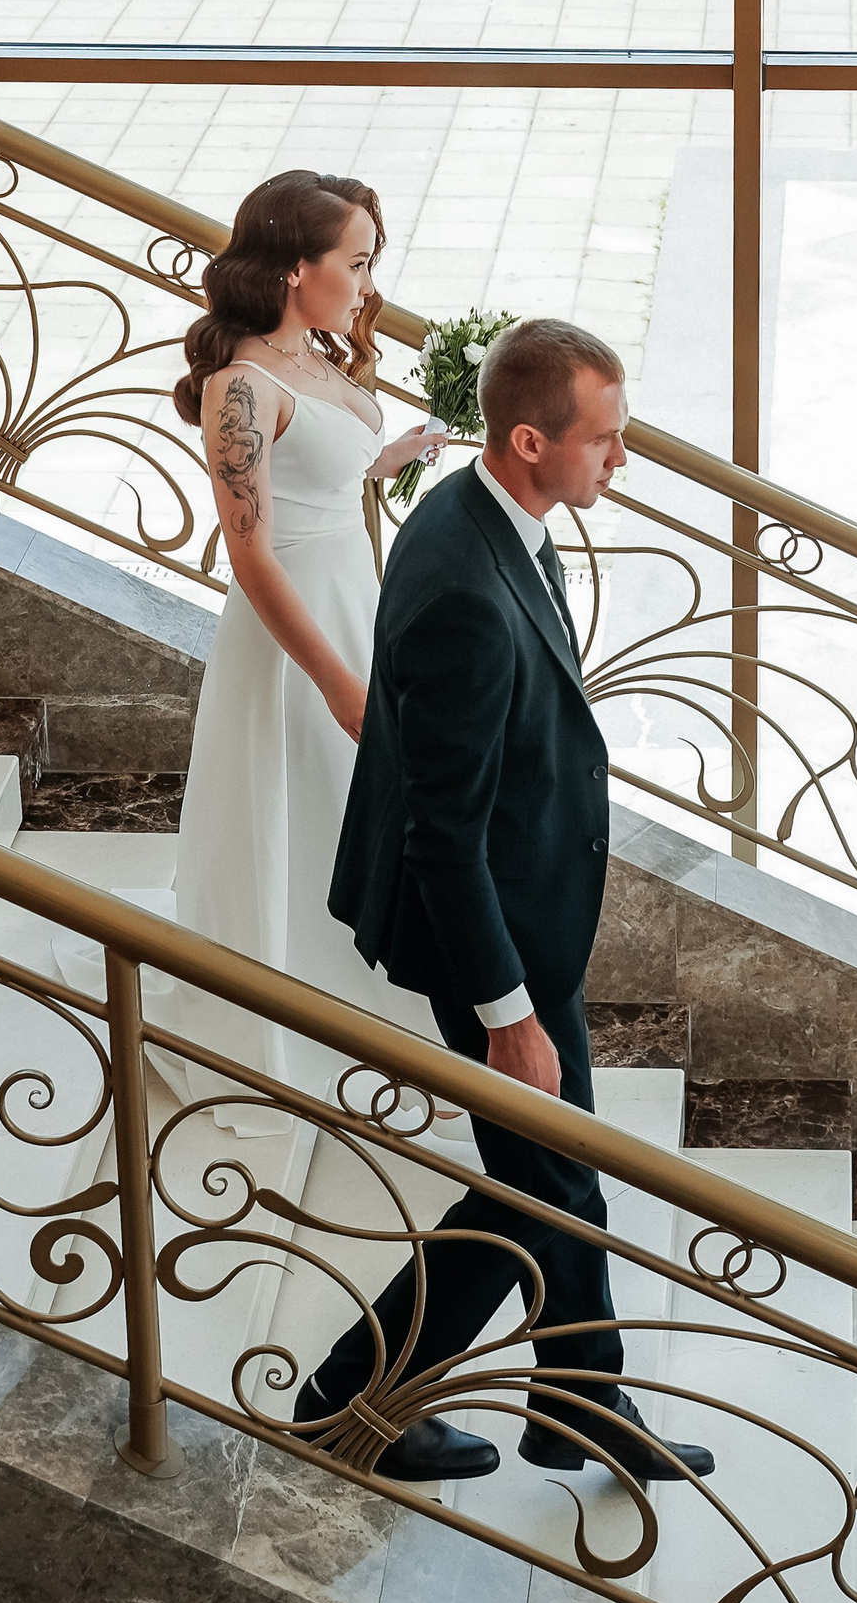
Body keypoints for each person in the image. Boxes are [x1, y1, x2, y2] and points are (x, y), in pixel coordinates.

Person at [293, 317, 717, 1490]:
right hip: (486, 938)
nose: (622, 458)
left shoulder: (488, 515)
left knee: (558, 1178)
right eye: (606, 439)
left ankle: (579, 1406)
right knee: (536, 1195)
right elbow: (442, 836)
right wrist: (508, 1014)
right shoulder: (465, 594)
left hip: (523, 919)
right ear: (530, 441)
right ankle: (342, 1401)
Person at [164, 170, 445, 1131]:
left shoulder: (311, 353)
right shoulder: (240, 388)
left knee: (355, 810)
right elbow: (250, 555)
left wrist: (393, 455)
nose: (368, 287)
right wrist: (334, 683)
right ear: (295, 268)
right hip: (296, 639)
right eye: (355, 264)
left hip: (353, 604)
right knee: (314, 807)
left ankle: (390, 1010)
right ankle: (300, 1025)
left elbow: (321, 472)